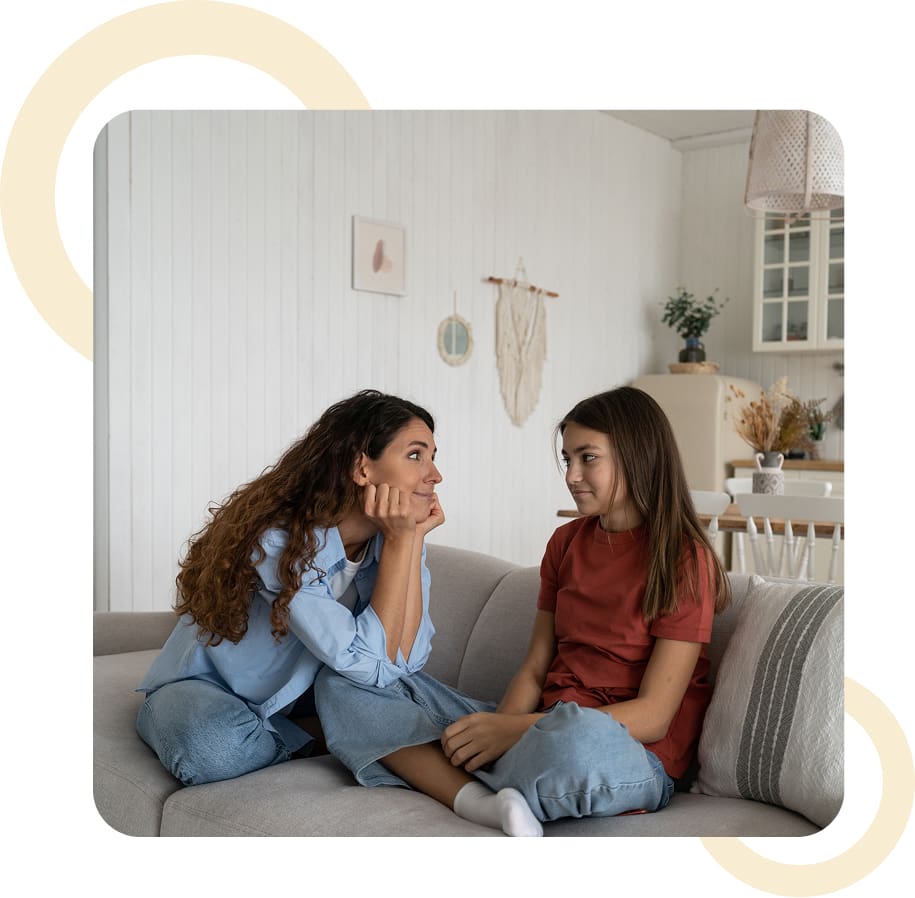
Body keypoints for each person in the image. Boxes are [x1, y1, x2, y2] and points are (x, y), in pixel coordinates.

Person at [314, 386, 731, 836]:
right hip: (538, 729)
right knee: (344, 683)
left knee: (577, 738)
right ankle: (478, 793)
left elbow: (654, 716)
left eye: (588, 457)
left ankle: (444, 767)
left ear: (638, 456)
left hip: (626, 753)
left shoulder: (684, 560)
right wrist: (500, 727)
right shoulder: (566, 543)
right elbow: (535, 669)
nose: (572, 475)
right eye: (567, 459)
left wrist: (511, 734)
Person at [135, 389, 444, 785]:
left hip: (308, 696)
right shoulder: (280, 542)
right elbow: (370, 667)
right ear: (362, 468)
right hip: (210, 691)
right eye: (416, 455)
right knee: (210, 747)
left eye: (434, 457)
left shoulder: (396, 540)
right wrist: (405, 542)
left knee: (388, 691)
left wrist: (409, 542)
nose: (434, 475)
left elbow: (403, 663)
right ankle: (323, 739)